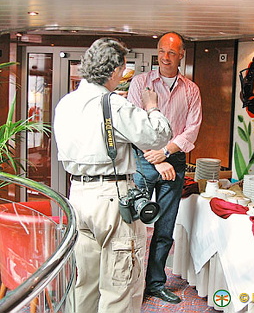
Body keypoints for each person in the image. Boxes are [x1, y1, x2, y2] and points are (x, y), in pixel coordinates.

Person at [53, 37, 172, 313]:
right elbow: (159, 135)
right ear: (117, 71)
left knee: (82, 283)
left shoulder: (65, 104)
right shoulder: (113, 105)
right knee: (120, 286)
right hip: (112, 199)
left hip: (77, 198)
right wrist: (152, 106)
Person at [127, 31, 202, 304]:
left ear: (181, 54)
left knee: (165, 228)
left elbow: (191, 131)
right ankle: (131, 284)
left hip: (175, 160)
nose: (165, 57)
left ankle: (155, 283)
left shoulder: (191, 89)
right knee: (135, 225)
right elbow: (133, 127)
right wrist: (155, 159)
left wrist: (165, 154)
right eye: (161, 51)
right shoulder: (140, 83)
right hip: (144, 160)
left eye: (172, 52)